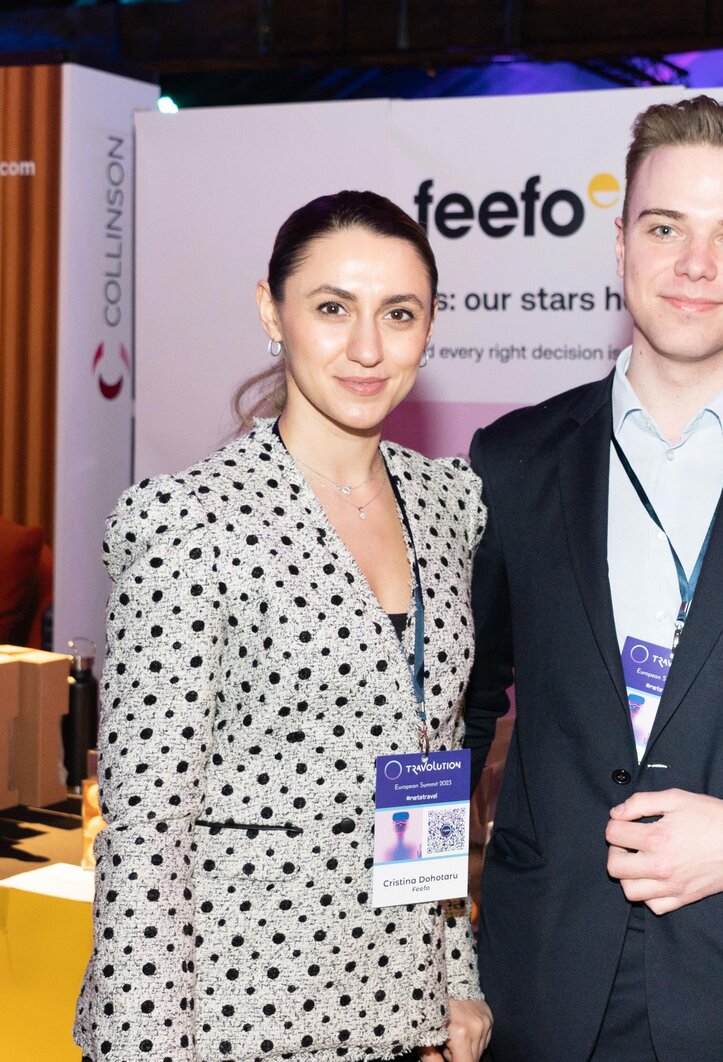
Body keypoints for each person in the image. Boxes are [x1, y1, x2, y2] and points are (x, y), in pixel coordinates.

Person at [464, 96, 723, 1061]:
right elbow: (452, 720)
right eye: (666, 227)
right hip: (535, 981)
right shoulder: (510, 460)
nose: (695, 265)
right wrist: (426, 951)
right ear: (620, 243)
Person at [74, 190, 493, 1062]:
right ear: (273, 311)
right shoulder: (192, 521)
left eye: (399, 313)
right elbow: (147, 832)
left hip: (400, 1008)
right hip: (235, 1012)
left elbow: (434, 757)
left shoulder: (445, 503)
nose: (368, 348)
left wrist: (453, 974)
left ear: (430, 326)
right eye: (333, 308)